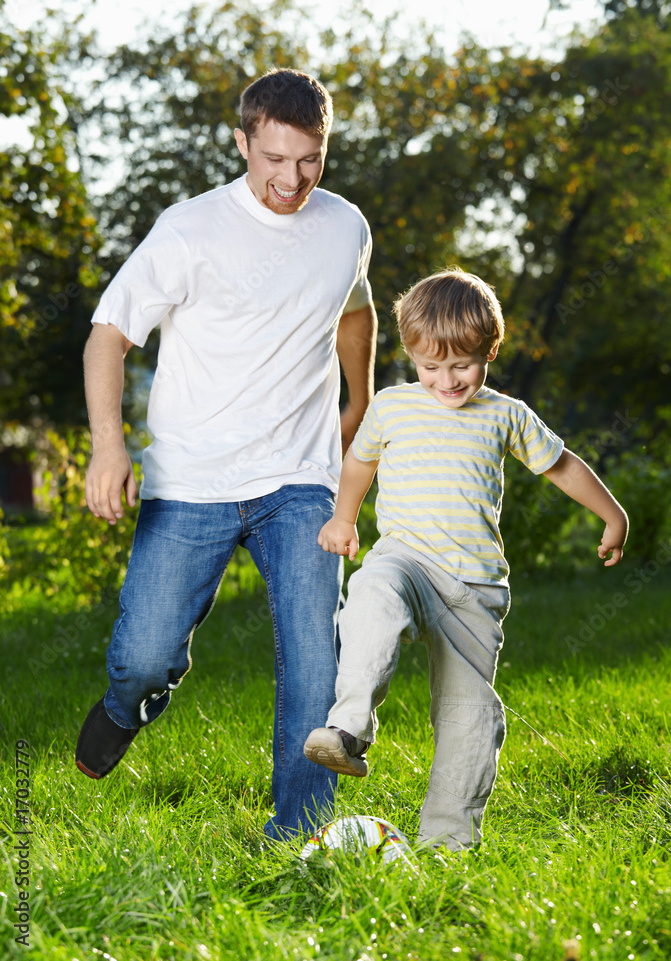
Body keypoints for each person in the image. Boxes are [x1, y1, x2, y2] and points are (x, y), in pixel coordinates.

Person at [75, 68, 377, 842]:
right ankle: (125, 705)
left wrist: (359, 404)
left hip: (299, 481)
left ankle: (299, 834)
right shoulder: (190, 228)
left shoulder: (345, 226)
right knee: (142, 655)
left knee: (316, 656)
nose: (291, 178)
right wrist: (108, 446)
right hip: (190, 481)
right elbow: (109, 333)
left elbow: (355, 306)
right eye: (273, 157)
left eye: (309, 158)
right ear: (242, 142)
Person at [304, 267, 628, 850]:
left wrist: (613, 515)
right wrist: (344, 518)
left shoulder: (505, 414)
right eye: (431, 366)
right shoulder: (391, 406)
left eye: (462, 365)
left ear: (490, 350)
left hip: (475, 591)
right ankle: (348, 727)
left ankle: (448, 842)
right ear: (411, 355)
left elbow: (562, 465)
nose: (446, 380)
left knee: (471, 716)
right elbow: (358, 463)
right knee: (371, 597)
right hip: (403, 559)